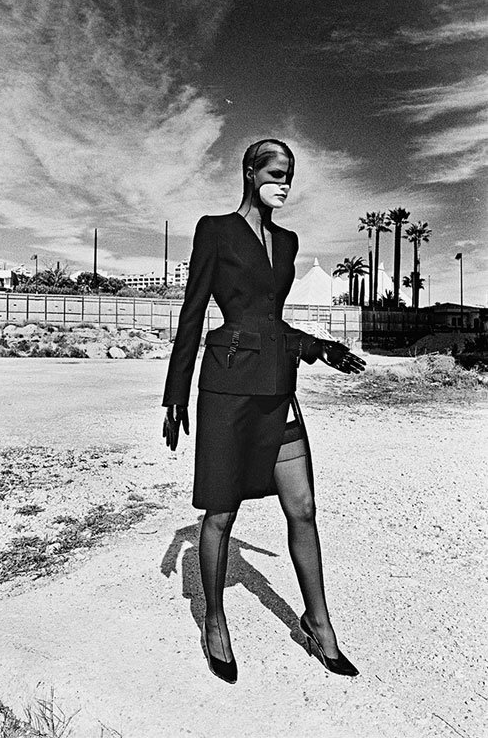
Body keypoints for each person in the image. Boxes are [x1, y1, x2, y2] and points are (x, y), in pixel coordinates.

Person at [162, 139, 365, 684]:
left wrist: (319, 346)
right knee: (222, 513)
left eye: (290, 176)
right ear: (250, 173)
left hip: (278, 384)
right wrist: (175, 392)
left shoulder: (288, 241)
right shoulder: (215, 229)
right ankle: (214, 618)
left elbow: (269, 321)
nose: (284, 183)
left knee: (302, 507)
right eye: (275, 173)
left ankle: (319, 624)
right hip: (227, 390)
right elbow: (193, 311)